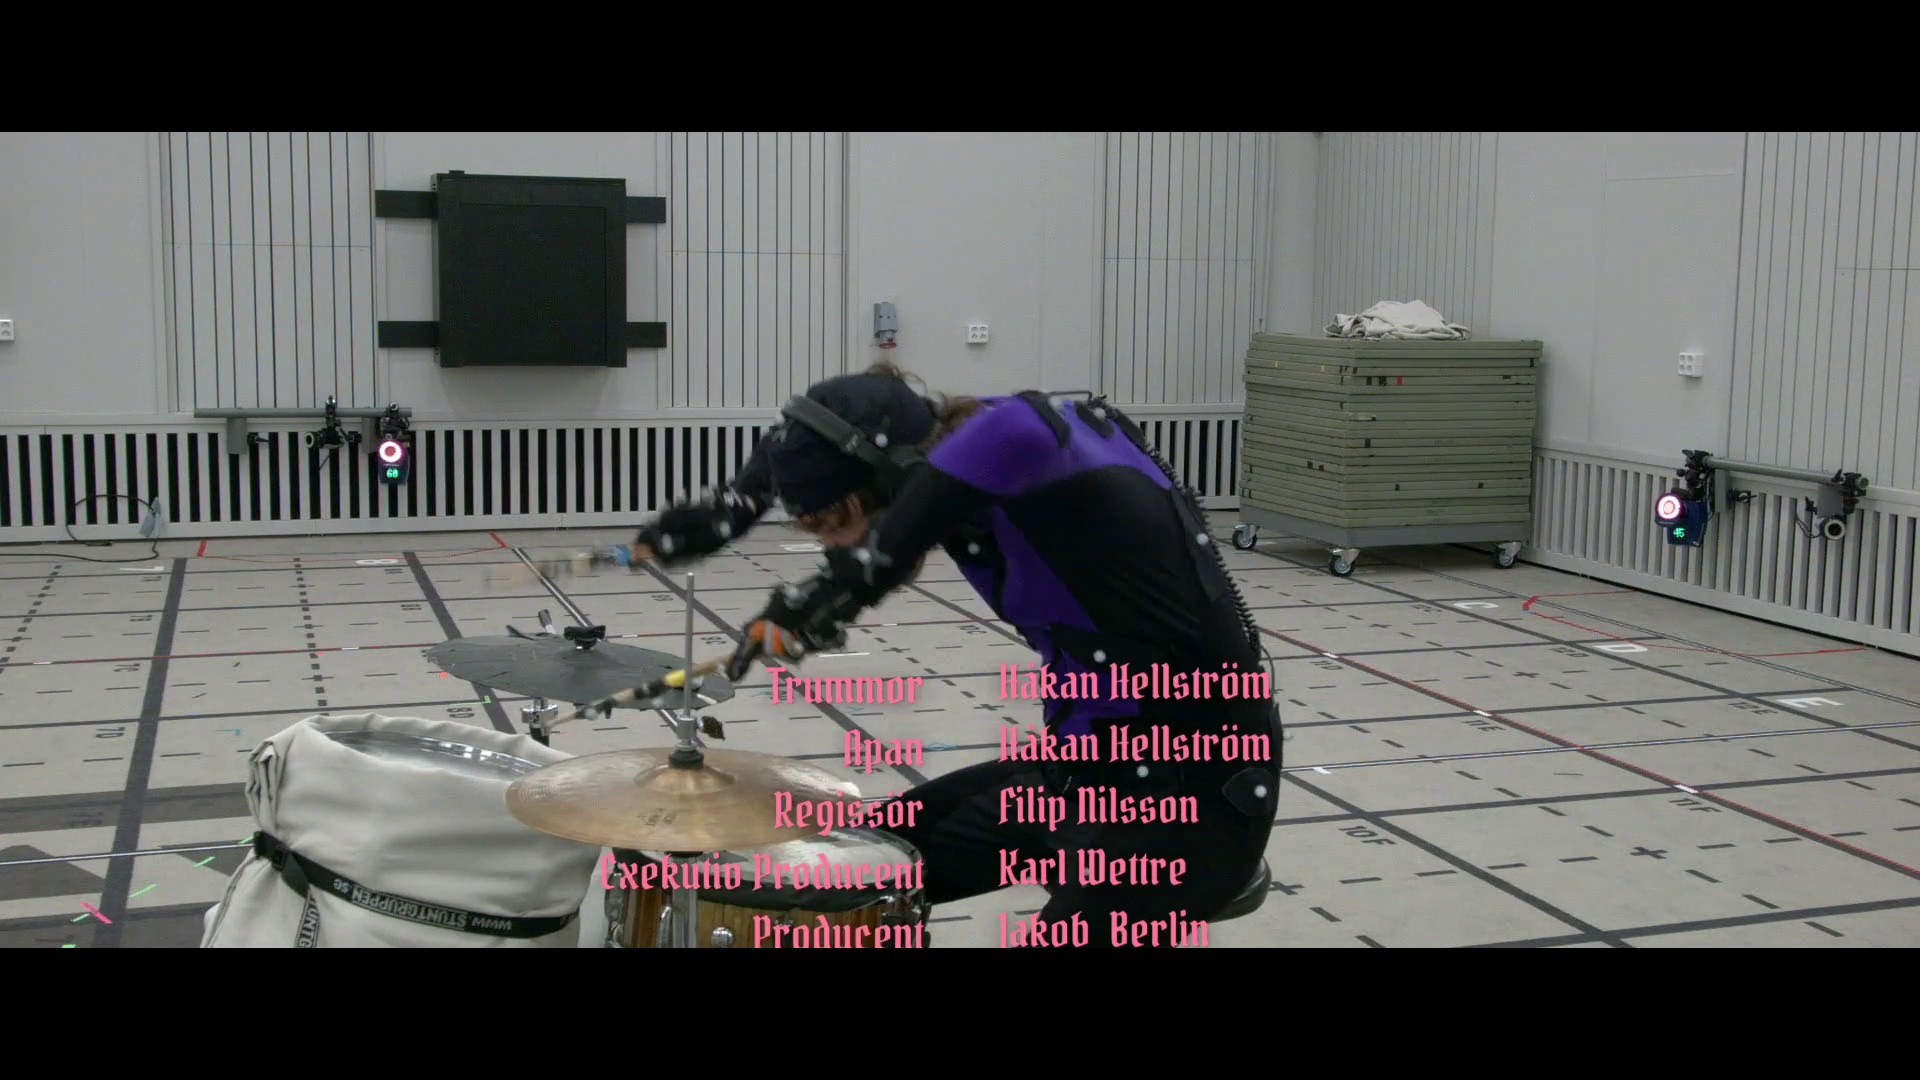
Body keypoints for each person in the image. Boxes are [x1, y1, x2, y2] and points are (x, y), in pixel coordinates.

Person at [633, 361, 1282, 948]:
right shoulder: (961, 454)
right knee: (848, 876)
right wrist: (735, 506)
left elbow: (1010, 435)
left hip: (1190, 801)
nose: (834, 544)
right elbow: (801, 442)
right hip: (1078, 773)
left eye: (839, 523)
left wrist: (831, 592)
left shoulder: (1028, 450)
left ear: (902, 478)